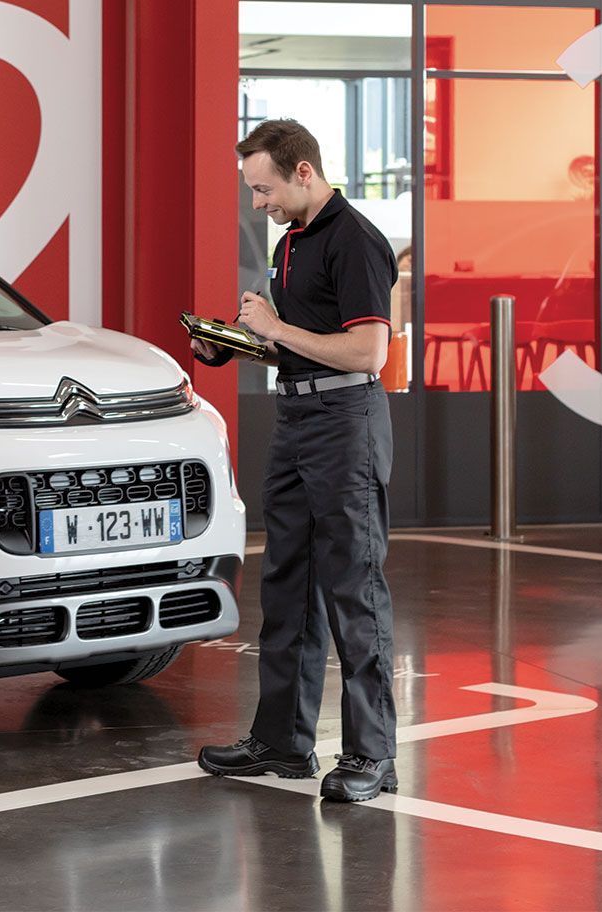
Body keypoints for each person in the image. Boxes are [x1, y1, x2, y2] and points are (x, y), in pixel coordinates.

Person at [195, 119, 401, 803]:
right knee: (287, 583)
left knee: (353, 586)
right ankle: (284, 741)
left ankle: (372, 756)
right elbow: (302, 343)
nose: (259, 204)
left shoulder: (357, 241)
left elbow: (369, 354)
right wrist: (234, 343)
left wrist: (277, 328)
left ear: (303, 172)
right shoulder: (292, 244)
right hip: (297, 417)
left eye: (265, 188)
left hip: (346, 422)